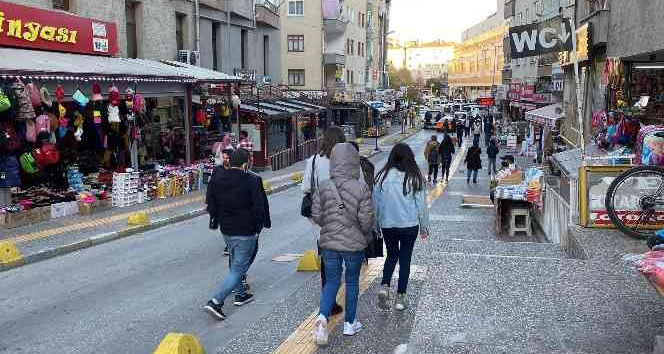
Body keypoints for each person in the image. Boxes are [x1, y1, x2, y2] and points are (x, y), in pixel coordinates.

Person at [312, 143, 374, 346]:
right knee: (353, 282)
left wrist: (330, 225)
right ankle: (350, 323)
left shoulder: (324, 185)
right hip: (354, 244)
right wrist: (363, 234)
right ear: (354, 162)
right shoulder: (361, 187)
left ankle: (322, 318)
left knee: (331, 281)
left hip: (329, 243)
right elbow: (366, 220)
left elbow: (317, 216)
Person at [204, 149, 266, 321]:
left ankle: (240, 294)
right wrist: (258, 227)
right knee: (239, 267)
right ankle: (216, 301)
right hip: (246, 231)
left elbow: (211, 204)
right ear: (245, 163)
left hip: (227, 230)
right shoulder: (251, 180)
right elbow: (258, 207)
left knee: (235, 261)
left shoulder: (217, 179)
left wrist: (219, 220)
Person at [373, 143, 429, 312]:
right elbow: (422, 205)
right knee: (405, 259)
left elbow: (375, 204)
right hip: (409, 225)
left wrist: (375, 226)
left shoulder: (381, 177)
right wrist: (424, 227)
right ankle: (400, 297)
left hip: (388, 224)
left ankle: (384, 285)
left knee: (391, 255)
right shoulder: (415, 177)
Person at [302, 126, 346, 316]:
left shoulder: (312, 161)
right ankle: (330, 302)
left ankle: (328, 301)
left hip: (319, 215)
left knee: (325, 256)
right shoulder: (347, 162)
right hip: (340, 214)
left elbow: (305, 188)